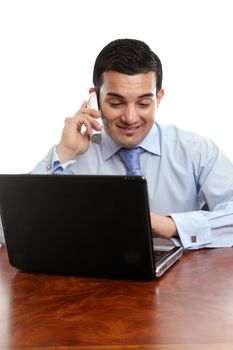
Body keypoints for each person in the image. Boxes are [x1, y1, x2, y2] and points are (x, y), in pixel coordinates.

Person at [2, 38, 233, 249]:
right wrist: (63, 153)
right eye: (115, 103)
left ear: (158, 98)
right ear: (96, 98)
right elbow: (8, 231)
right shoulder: (74, 154)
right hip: (92, 283)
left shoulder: (196, 151)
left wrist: (171, 225)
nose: (130, 118)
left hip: (178, 287)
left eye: (143, 103)